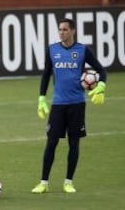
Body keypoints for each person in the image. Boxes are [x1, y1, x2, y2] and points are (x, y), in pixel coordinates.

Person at [31, 18, 107, 194]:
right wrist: (42, 97)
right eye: (60, 30)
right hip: (58, 104)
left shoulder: (83, 50)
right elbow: (46, 74)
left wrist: (101, 87)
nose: (61, 32)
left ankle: (68, 182)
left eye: (65, 29)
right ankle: (43, 182)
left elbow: (101, 71)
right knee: (51, 142)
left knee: (74, 143)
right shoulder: (52, 50)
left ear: (73, 31)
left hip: (77, 104)